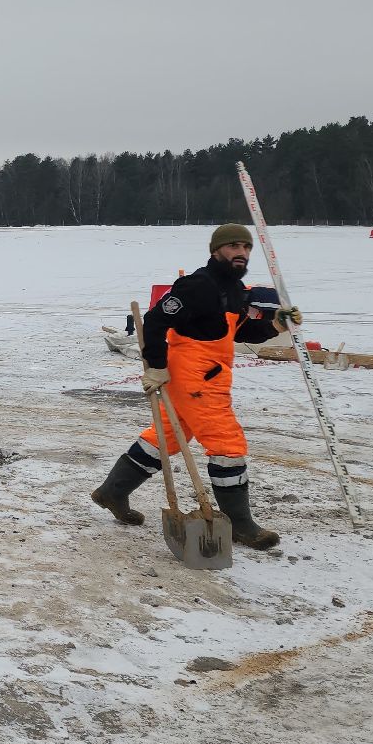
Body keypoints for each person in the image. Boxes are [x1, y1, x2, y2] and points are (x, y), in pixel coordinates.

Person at [91, 223, 300, 549]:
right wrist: (156, 365)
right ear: (216, 250)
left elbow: (237, 332)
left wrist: (276, 325)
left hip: (208, 373)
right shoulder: (198, 285)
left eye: (246, 247)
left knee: (166, 436)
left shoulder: (233, 288)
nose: (241, 253)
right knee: (227, 443)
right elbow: (156, 320)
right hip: (196, 377)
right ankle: (240, 525)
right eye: (233, 246)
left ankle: (112, 492)